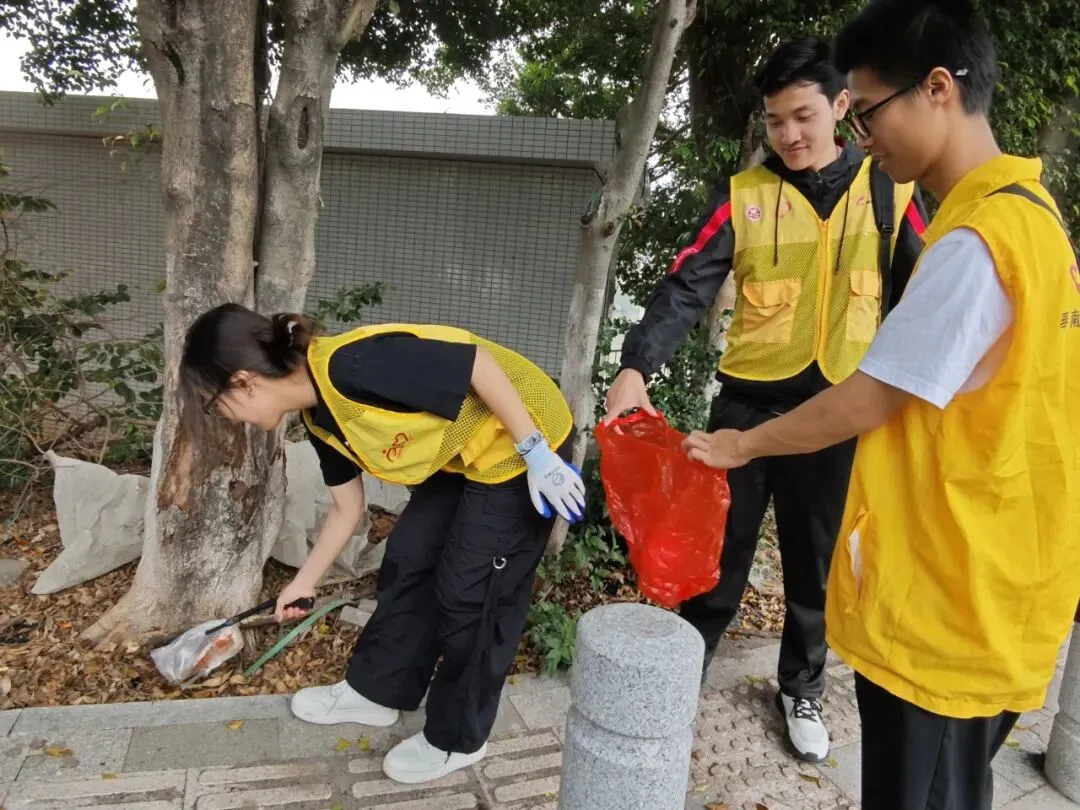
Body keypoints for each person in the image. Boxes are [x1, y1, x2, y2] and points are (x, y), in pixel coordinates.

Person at [682, 1, 1080, 807]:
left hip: (946, 609)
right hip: (1000, 588)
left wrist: (740, 446)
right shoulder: (1039, 228)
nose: (861, 135)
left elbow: (870, 397)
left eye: (865, 112)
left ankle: (801, 689)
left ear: (937, 88)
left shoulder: (971, 244)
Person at [603, 36, 927, 763]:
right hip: (745, 410)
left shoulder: (890, 190)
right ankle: (688, 666)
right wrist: (636, 366)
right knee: (718, 551)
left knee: (816, 563)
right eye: (776, 120)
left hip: (840, 412)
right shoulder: (744, 196)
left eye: (804, 116)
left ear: (842, 106)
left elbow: (927, 291)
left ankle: (802, 687)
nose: (789, 135)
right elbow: (688, 282)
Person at [179, 304, 585, 785]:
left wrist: (537, 453)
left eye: (214, 402)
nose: (224, 417)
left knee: (473, 591)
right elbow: (346, 510)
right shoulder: (318, 419)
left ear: (244, 381)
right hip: (458, 454)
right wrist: (302, 584)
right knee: (410, 558)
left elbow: (477, 363)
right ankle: (378, 692)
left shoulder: (354, 365)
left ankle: (456, 739)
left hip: (520, 440)